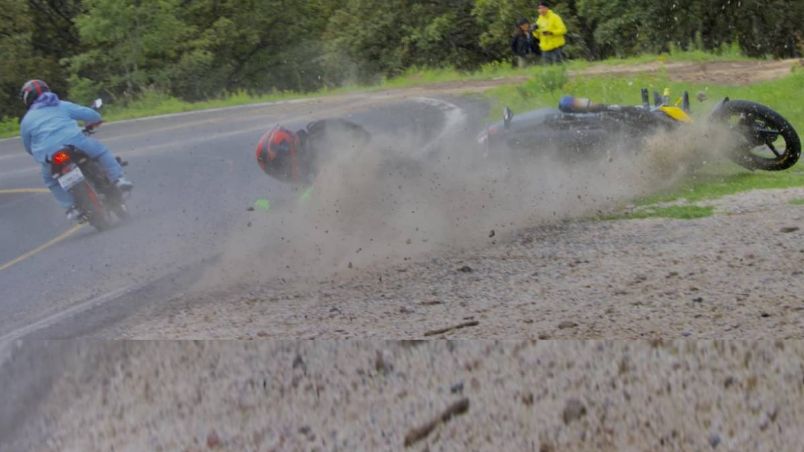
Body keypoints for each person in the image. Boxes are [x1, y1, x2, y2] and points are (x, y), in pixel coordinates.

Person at [19, 80, 133, 221]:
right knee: (101, 152)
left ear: (27, 99)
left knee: (51, 181)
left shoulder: (26, 121)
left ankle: (70, 208)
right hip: (75, 144)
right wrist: (94, 121)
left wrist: (41, 155)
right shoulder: (60, 105)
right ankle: (118, 179)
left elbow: (28, 147)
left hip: (51, 156)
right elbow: (92, 116)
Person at [256, 118, 370, 185]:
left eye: (278, 166)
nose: (281, 173)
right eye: (275, 172)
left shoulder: (318, 138)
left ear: (286, 150)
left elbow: (360, 139)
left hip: (371, 171)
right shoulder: (305, 165)